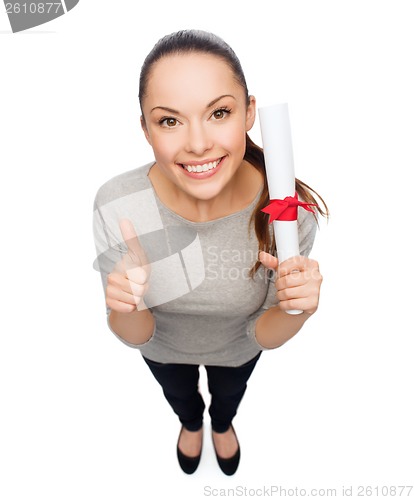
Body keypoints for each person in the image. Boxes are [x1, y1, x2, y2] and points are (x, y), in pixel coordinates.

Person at [92, 29, 328, 476]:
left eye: (219, 113)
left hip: (237, 351)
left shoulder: (288, 212)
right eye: (169, 120)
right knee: (180, 396)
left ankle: (221, 424)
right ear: (145, 129)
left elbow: (264, 334)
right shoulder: (118, 203)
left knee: (229, 396)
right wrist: (129, 301)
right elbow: (132, 333)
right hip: (161, 348)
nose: (198, 144)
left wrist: (298, 310)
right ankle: (189, 423)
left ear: (248, 113)